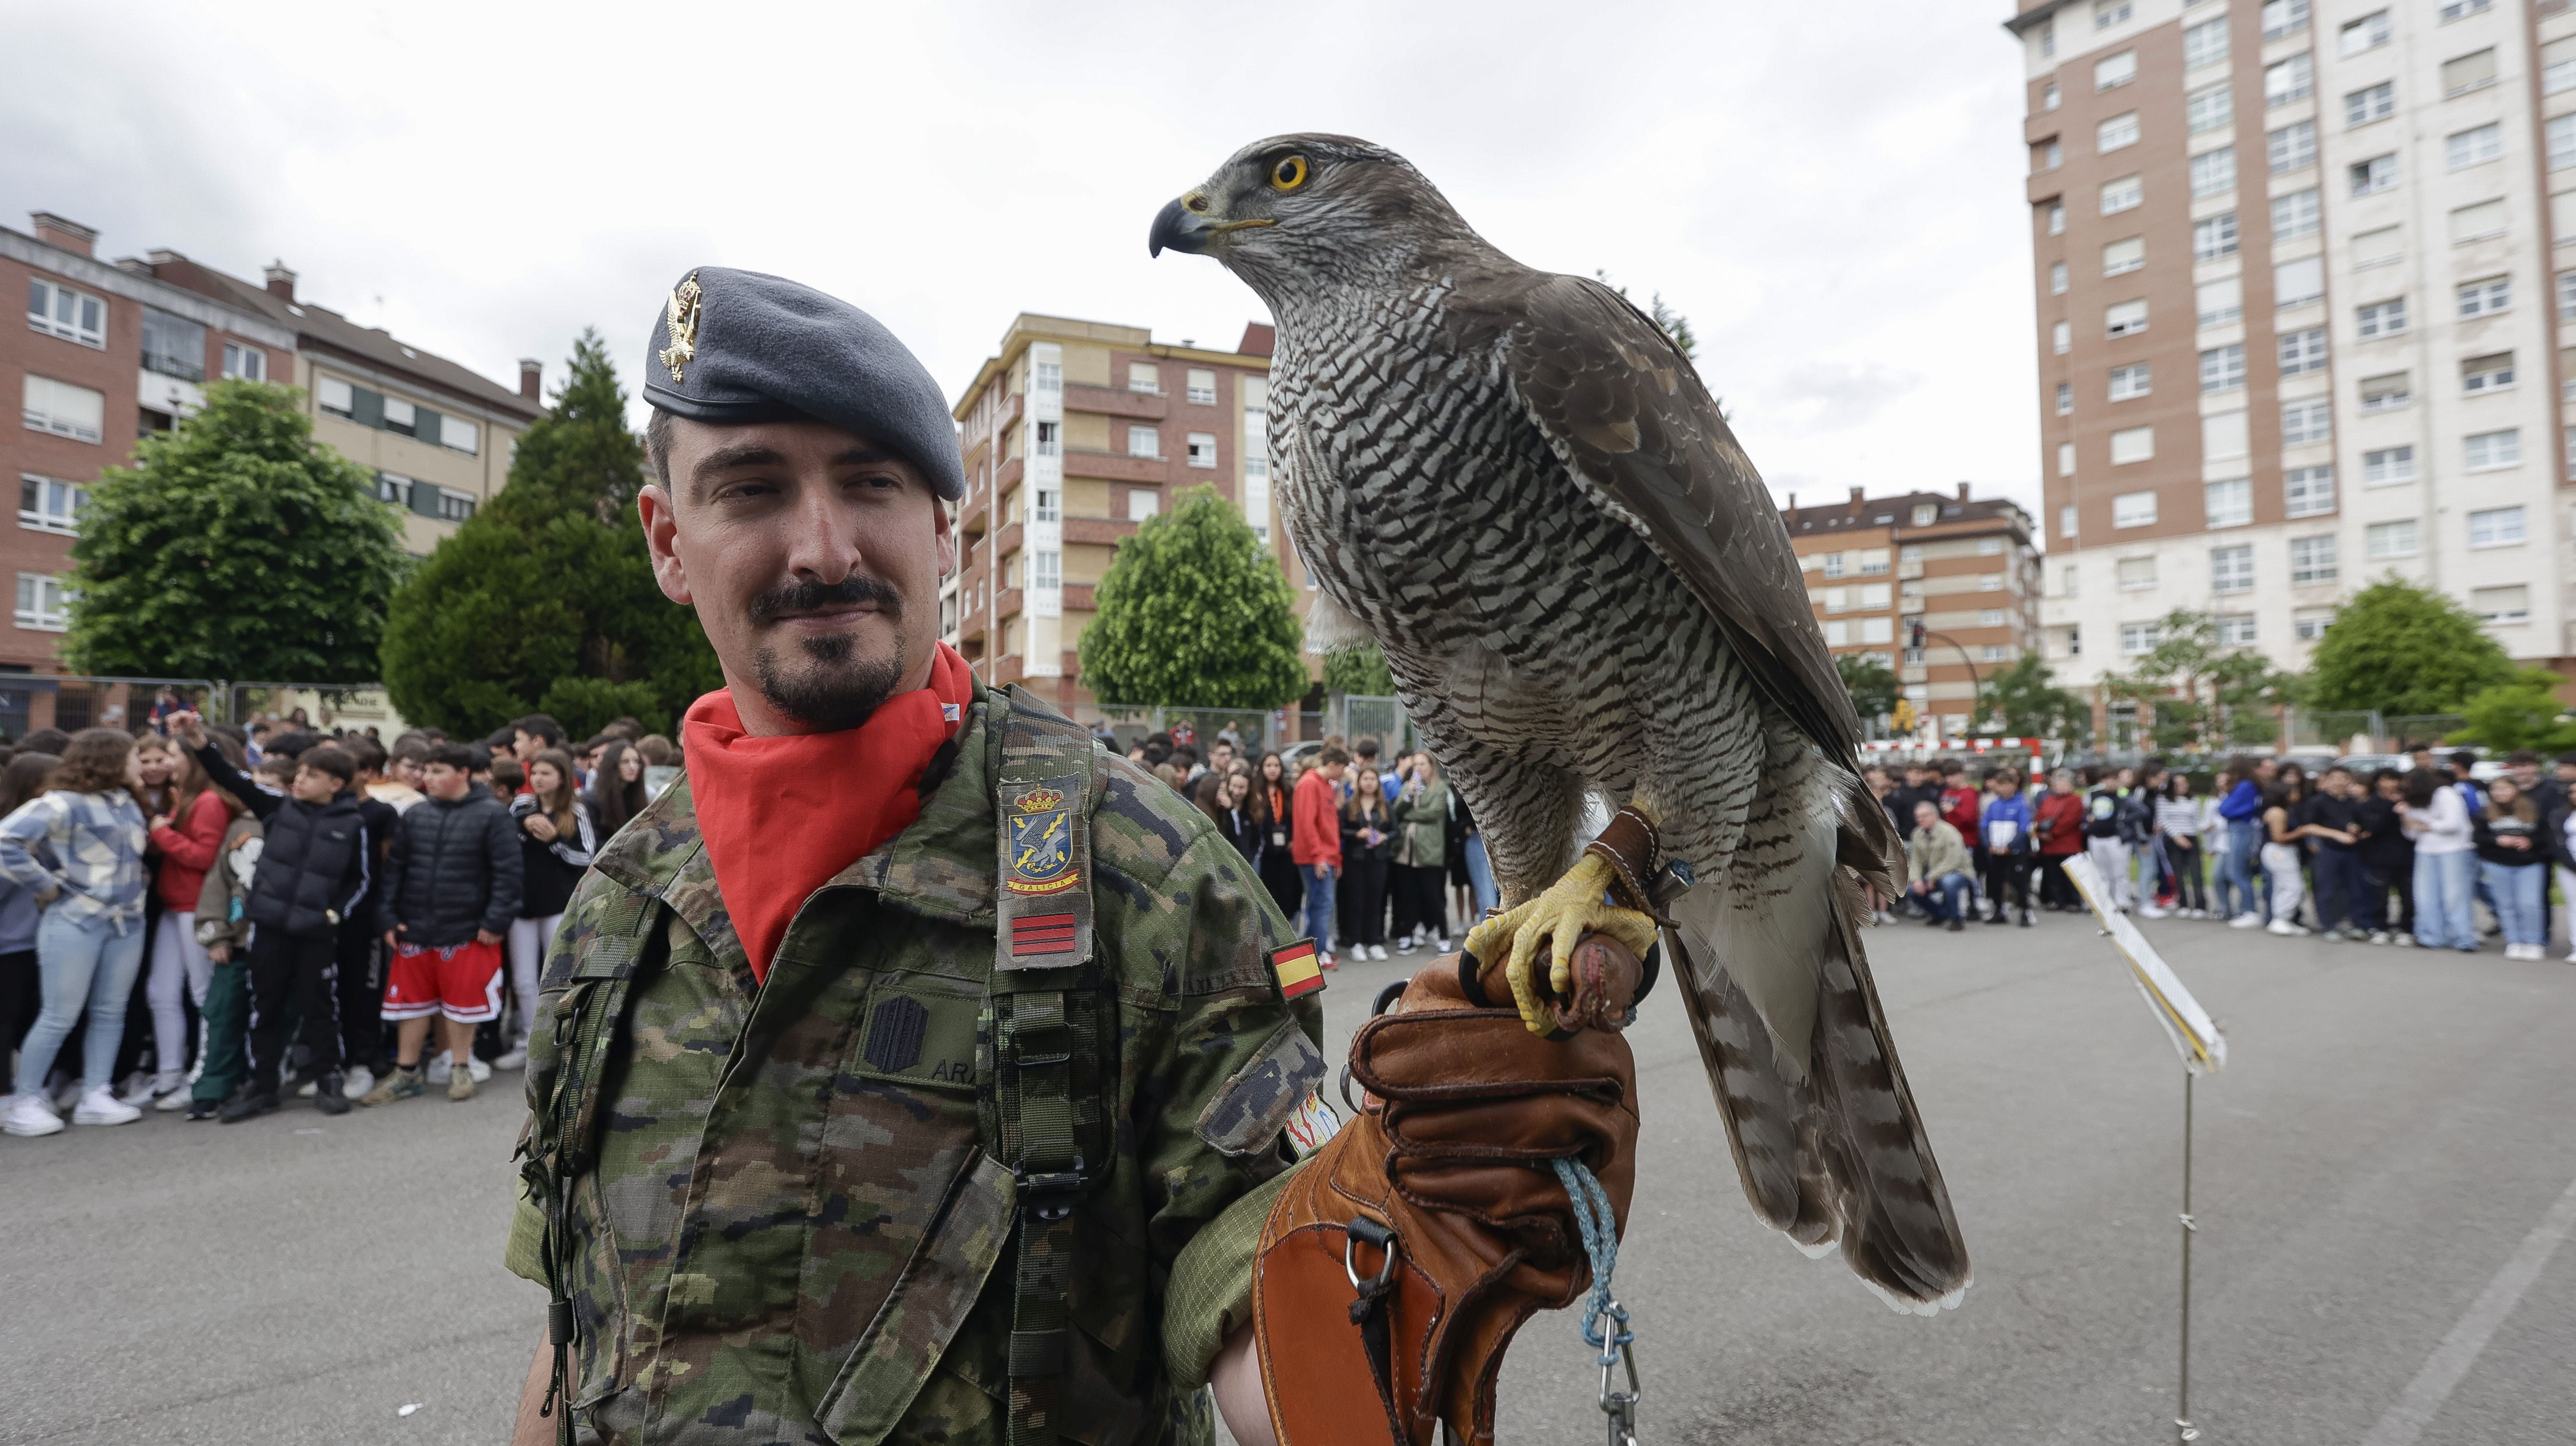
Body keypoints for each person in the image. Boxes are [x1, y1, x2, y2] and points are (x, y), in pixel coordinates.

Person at [501, 268, 1393, 1446]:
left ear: (940, 527)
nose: (823, 549)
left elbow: (1264, 1312)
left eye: (870, 482)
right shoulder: (619, 906)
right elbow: (578, 1332)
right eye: (751, 489)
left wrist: (1417, 1260)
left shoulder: (1135, 873)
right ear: (670, 541)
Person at [171, 712, 371, 1121]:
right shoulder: (277, 808)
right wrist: (196, 738)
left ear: (335, 783)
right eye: (299, 772)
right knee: (266, 1006)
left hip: (316, 932)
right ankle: (262, 1086)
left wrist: (334, 914)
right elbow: (228, 775)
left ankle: (329, 1078)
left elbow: (361, 880)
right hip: (269, 929)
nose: (300, 780)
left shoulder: (353, 823)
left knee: (319, 1007)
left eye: (311, 775)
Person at [0, 729, 152, 1137]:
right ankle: (25, 1099)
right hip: (75, 921)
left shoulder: (125, 802)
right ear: (110, 759)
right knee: (58, 1015)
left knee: (110, 1011)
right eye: (135, 755)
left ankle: (95, 1093)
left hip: (126, 922)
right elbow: (6, 839)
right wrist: (44, 886)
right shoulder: (61, 802)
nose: (141, 763)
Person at [363, 741, 519, 1104]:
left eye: (436, 771)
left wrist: (495, 919)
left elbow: (508, 874)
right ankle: (406, 1072)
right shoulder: (416, 815)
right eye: (424, 771)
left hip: (467, 930)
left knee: (463, 1004)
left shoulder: (493, 815)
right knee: (411, 1005)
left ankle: (460, 1066)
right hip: (415, 928)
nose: (426, 778)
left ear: (463, 773)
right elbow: (395, 871)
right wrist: (387, 916)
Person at [139, 738, 228, 1109]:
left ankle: (204, 1074)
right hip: (175, 905)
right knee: (161, 992)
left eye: (173, 755)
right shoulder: (186, 797)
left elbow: (205, 855)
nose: (167, 762)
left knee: (202, 994)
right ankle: (169, 1074)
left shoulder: (208, 801)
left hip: (196, 907)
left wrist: (161, 834)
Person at [503, 748, 595, 1071]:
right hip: (522, 905)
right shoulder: (520, 806)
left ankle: (560, 1041)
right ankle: (527, 1042)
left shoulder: (576, 811)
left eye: (546, 773)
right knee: (525, 980)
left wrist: (555, 839)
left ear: (562, 778)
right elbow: (505, 847)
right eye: (536, 772)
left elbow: (587, 858)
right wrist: (521, 826)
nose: (539, 779)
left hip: (558, 905)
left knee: (557, 975)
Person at [184, 766, 262, 1120]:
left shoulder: (298, 827)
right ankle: (213, 1087)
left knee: (273, 1017)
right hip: (237, 940)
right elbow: (218, 885)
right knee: (224, 1012)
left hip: (280, 943)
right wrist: (215, 933)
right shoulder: (239, 828)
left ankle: (262, 1080)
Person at [0, 753, 51, 1111]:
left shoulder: (50, 825)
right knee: (6, 1018)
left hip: (39, 938)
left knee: (33, 1015)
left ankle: (35, 1084)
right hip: (10, 942)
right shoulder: (11, 832)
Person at [2400, 767, 2477, 951]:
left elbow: (2453, 824)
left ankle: (2463, 937)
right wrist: (2404, 816)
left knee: (2455, 896)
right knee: (2425, 895)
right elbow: (2411, 834)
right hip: (2425, 850)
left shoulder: (2446, 794)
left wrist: (2425, 826)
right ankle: (2431, 936)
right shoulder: (2414, 802)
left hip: (2454, 849)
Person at [2473, 774, 2548, 959]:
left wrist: (2529, 842)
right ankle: (2514, 941)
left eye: (2505, 789)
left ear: (2516, 790)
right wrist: (2497, 840)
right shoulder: (2485, 812)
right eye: (2496, 790)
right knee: (2506, 905)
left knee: (2529, 904)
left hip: (2529, 864)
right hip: (2498, 864)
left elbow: (2546, 836)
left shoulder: (2532, 809)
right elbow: (2478, 838)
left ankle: (2534, 942)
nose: (2500, 793)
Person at [1389, 752, 1451, 952]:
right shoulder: (1408, 787)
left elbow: (1435, 813)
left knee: (1432, 895)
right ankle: (1407, 935)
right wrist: (1408, 797)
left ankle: (1443, 936)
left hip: (1429, 851)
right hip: (1406, 852)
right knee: (1407, 895)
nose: (1418, 768)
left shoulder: (1440, 788)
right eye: (1415, 764)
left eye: (1423, 764)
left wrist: (1409, 816)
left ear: (1431, 766)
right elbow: (1396, 812)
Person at [1294, 744, 1347, 968]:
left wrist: (1335, 858)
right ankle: (1317, 952)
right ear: (1332, 765)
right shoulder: (1310, 783)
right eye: (1342, 768)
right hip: (1315, 858)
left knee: (1322, 904)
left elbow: (1329, 825)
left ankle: (1314, 951)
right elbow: (1307, 824)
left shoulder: (1324, 784)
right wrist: (1319, 857)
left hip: (1324, 856)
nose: (1344, 773)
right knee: (1320, 905)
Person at [1340, 764, 1395, 961]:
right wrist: (1357, 833)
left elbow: (1395, 830)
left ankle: (1374, 942)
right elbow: (1341, 829)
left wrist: (1384, 837)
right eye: (1366, 779)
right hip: (1356, 859)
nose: (1369, 783)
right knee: (1357, 900)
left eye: (1373, 779)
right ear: (1359, 782)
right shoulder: (1350, 805)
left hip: (1378, 859)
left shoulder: (1385, 806)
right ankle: (1356, 942)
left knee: (1375, 901)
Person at [2305, 766, 2367, 942]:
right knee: (2327, 889)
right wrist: (2333, 835)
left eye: (2344, 778)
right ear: (2328, 780)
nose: (2340, 781)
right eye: (2336, 778)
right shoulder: (2318, 802)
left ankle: (2355, 924)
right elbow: (2310, 826)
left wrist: (2357, 829)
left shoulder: (2354, 803)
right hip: (2328, 850)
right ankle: (2328, 925)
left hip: (2352, 851)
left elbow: (2362, 824)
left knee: (2354, 889)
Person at [1246, 750, 1302, 922]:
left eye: (1277, 766)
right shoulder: (1256, 792)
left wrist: (1294, 839)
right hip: (1266, 852)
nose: (1273, 770)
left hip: (1287, 850)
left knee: (1289, 891)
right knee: (1269, 892)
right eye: (1269, 766)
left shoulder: (1287, 791)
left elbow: (1297, 817)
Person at [2215, 757, 2269, 927]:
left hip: (2241, 830)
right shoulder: (2249, 786)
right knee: (2233, 872)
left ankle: (2249, 910)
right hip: (2240, 830)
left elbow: (2225, 809)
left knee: (2237, 872)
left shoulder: (2245, 786)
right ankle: (2245, 909)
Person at [1976, 768, 2033, 926]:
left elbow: (2024, 829)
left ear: (2014, 785)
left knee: (2019, 882)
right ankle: (1999, 911)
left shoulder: (2021, 805)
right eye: (2000, 785)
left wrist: (2011, 846)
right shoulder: (1994, 805)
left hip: (2015, 851)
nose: (2002, 789)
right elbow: (1984, 826)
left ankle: (2025, 912)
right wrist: (1989, 845)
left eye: (2006, 785)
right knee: (1996, 882)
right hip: (1996, 850)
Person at [1906, 798, 1974, 931]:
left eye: (1924, 816)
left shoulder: (1949, 832)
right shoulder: (1917, 834)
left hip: (1959, 871)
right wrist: (1916, 880)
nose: (1920, 820)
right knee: (1911, 890)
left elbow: (1953, 860)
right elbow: (1915, 861)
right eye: (1917, 817)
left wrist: (1933, 876)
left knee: (1949, 883)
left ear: (1935, 816)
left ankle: (1956, 919)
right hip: (1934, 874)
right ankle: (1940, 914)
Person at [2260, 768, 2313, 937]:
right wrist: (2303, 831)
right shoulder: (2277, 812)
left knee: (2283, 886)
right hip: (2279, 851)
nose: (2298, 793)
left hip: (2286, 851)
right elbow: (2279, 837)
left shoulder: (2288, 810)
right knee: (2293, 887)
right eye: (2294, 791)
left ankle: (2285, 919)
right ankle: (2280, 918)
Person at [2152, 774, 2209, 919]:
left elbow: (2196, 821)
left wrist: (2207, 827)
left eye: (2184, 783)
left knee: (2196, 873)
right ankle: (2184, 903)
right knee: (2178, 874)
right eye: (2178, 784)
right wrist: (2177, 837)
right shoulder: (2164, 800)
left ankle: (2200, 905)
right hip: (2173, 839)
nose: (2183, 786)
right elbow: (2163, 820)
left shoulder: (2193, 800)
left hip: (2191, 837)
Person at [2031, 766, 2086, 911]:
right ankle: (2056, 900)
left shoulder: (2075, 800)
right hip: (2049, 846)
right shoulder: (2049, 800)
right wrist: (2040, 832)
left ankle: (2073, 901)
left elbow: (2070, 821)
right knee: (2052, 875)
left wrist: (2053, 833)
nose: (2058, 786)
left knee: (2070, 877)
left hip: (2067, 844)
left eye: (2062, 782)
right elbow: (2040, 816)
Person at [2083, 766, 2132, 912]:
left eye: (2113, 780)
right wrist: (2088, 819)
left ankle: (2123, 902)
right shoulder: (2093, 794)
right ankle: (2103, 902)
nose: (2109, 783)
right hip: (2097, 837)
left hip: (2115, 838)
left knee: (2119, 872)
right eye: (2106, 780)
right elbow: (2085, 812)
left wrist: (2123, 821)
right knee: (2101, 873)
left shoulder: (2123, 795)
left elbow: (2140, 810)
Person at [585, 738, 648, 839]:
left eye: (637, 761)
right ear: (612, 765)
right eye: (625, 762)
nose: (633, 767)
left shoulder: (637, 797)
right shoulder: (592, 800)